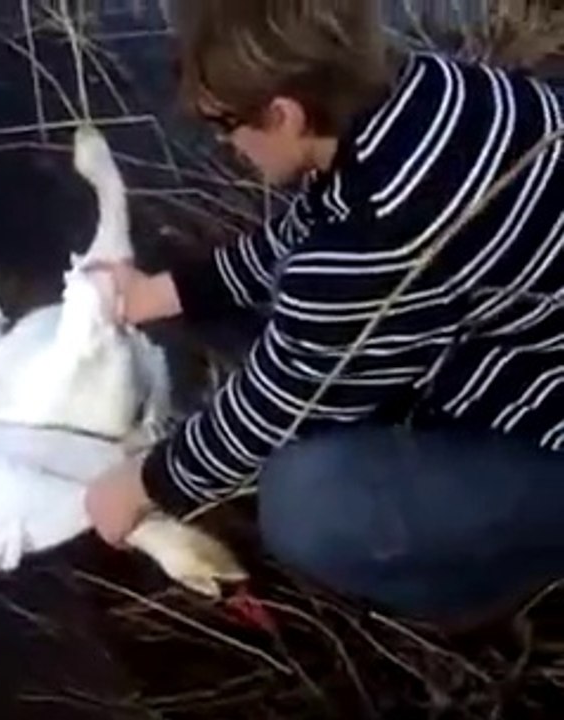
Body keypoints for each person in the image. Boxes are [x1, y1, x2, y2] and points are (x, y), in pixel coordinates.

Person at [84, 0, 564, 630]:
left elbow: (275, 405)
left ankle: (479, 595)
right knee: (277, 327)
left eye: (224, 125)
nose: (226, 145)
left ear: (284, 114)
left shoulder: (376, 241)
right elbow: (312, 230)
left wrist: (143, 484)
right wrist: (168, 292)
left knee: (307, 504)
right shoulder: (435, 89)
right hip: (528, 334)